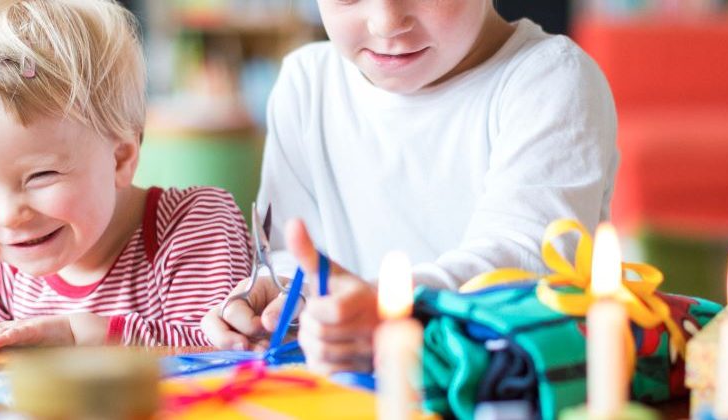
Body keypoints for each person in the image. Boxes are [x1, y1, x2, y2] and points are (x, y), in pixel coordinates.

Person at [202, 0, 618, 373]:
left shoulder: (550, 79)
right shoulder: (306, 84)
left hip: (496, 388)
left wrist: (385, 306)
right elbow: (299, 260)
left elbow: (527, 262)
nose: (386, 22)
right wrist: (280, 296)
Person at [0, 0, 251, 358]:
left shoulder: (194, 223)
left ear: (120, 158)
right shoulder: (2, 264)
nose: (8, 216)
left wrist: (79, 334)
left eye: (40, 176)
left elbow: (219, 348)